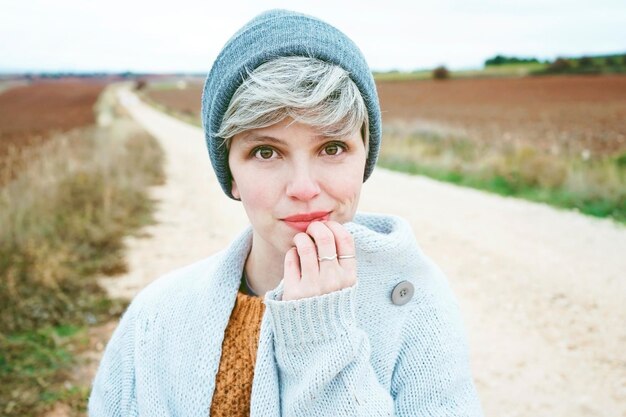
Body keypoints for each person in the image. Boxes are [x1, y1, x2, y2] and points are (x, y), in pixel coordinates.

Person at [88, 8, 484, 417]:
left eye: (332, 148)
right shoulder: (156, 319)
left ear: (364, 158)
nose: (304, 188)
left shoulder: (417, 303)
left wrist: (320, 336)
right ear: (232, 175)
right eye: (266, 152)